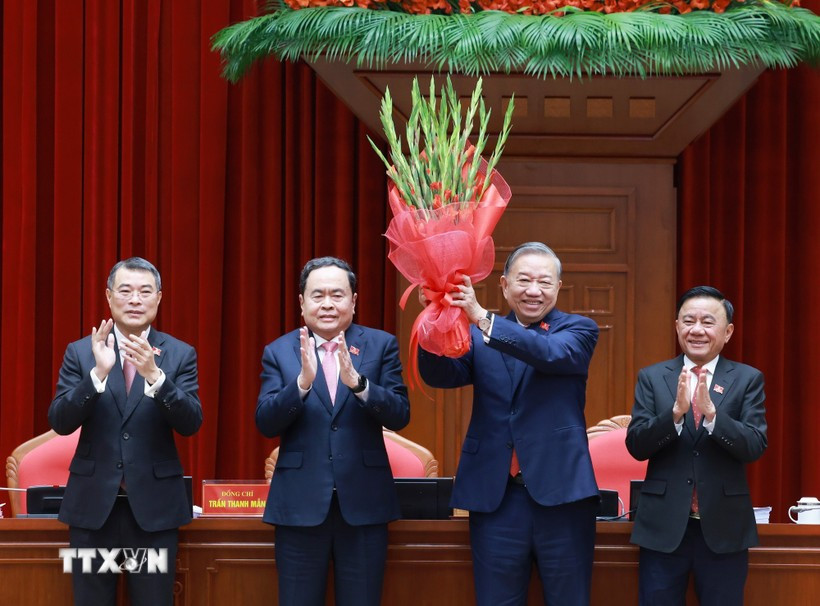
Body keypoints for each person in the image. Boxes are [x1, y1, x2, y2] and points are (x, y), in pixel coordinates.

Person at [417, 241, 600, 606]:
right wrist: (435, 321)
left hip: (561, 495)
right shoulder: (475, 336)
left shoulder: (579, 330)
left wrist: (482, 317)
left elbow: (549, 354)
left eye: (545, 282)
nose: (534, 291)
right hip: (496, 496)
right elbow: (440, 374)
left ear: (558, 288)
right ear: (504, 285)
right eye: (524, 280)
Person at [256, 256, 410, 606]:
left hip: (364, 505)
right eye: (318, 294)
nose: (327, 303)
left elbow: (400, 414)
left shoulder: (380, 345)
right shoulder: (279, 352)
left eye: (337, 295)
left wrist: (359, 384)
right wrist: (301, 384)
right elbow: (266, 422)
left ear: (353, 300)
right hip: (299, 506)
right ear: (302, 302)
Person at [48, 257, 202, 606]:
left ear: (159, 298)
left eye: (145, 291)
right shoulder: (81, 352)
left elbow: (191, 423)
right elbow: (60, 421)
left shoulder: (179, 354)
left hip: (154, 512)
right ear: (109, 297)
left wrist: (156, 378)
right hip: (92, 510)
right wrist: (97, 376)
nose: (135, 299)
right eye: (126, 291)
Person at [626, 286, 767, 606]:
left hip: (724, 527)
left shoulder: (747, 379)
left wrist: (714, 416)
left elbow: (754, 446)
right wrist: (674, 415)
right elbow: (636, 445)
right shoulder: (652, 377)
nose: (697, 330)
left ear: (727, 331)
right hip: (662, 528)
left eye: (708, 321)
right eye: (689, 321)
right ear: (677, 326)